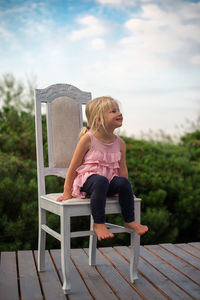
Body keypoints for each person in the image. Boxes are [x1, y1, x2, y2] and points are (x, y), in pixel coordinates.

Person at [57, 96, 148, 240]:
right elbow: (73, 167)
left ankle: (129, 220)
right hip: (88, 182)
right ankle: (99, 223)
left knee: (124, 183)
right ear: (98, 120)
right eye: (113, 111)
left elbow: (122, 171)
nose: (119, 113)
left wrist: (127, 192)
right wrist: (67, 192)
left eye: (118, 110)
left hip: (107, 182)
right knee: (100, 181)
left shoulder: (120, 143)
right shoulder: (88, 139)